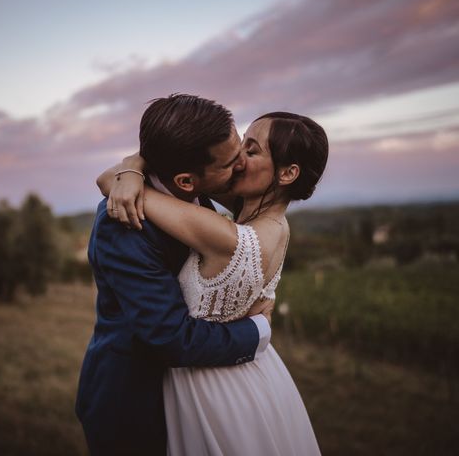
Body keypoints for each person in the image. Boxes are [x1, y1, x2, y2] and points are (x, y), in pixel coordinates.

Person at [102, 109, 328, 455]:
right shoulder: (263, 217)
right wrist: (136, 162)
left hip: (211, 386)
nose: (238, 161)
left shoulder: (230, 238)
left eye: (251, 151)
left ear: (287, 173)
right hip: (253, 374)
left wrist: (133, 170)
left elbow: (109, 184)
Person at [75, 94, 274, 456]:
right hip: (134, 406)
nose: (243, 165)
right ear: (185, 181)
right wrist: (257, 331)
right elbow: (169, 336)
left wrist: (133, 164)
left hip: (190, 390)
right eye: (231, 162)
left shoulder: (193, 184)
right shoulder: (122, 226)